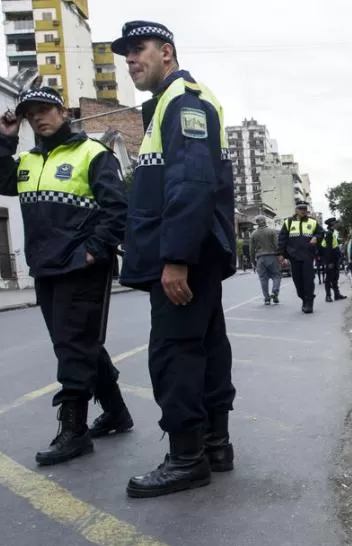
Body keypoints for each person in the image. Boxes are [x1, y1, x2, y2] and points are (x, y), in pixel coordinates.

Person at [113, 20, 237, 498]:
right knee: (205, 347)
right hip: (194, 250)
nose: (130, 60)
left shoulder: (182, 100)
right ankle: (215, 445)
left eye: (138, 49)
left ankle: (187, 457)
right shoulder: (173, 101)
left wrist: (177, 258)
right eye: (125, 54)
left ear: (167, 51)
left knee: (175, 353)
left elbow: (190, 183)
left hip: (187, 254)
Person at [0, 86, 131, 466]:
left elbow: (118, 210)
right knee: (78, 343)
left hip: (82, 268)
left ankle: (74, 432)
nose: (39, 118)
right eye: (31, 114)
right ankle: (115, 412)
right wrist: (4, 139)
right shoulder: (29, 161)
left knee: (72, 346)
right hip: (46, 267)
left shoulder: (92, 153)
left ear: (63, 111)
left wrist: (93, 251)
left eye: (45, 110)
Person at [277, 200, 323, 313]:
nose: (303, 211)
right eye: (301, 208)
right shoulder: (288, 222)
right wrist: (281, 254)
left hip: (308, 256)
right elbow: (282, 239)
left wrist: (316, 237)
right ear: (296, 210)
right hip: (294, 256)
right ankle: (304, 298)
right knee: (298, 281)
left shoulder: (312, 222)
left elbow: (322, 233)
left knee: (308, 280)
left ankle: (309, 303)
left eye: (305, 209)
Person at [249, 215, 281, 305]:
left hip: (260, 258)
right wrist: (280, 255)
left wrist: (253, 261)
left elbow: (251, 250)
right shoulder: (272, 231)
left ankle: (267, 299)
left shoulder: (253, 234)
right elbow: (277, 245)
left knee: (263, 279)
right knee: (276, 276)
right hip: (272, 257)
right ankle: (275, 292)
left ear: (257, 222)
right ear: (265, 221)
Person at [319, 216, 347, 302]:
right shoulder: (328, 234)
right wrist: (329, 262)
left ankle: (337, 294)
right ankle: (328, 296)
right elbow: (328, 249)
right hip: (330, 260)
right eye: (335, 223)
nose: (337, 224)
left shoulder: (332, 233)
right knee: (328, 279)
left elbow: (334, 246)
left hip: (334, 259)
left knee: (335, 278)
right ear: (332, 224)